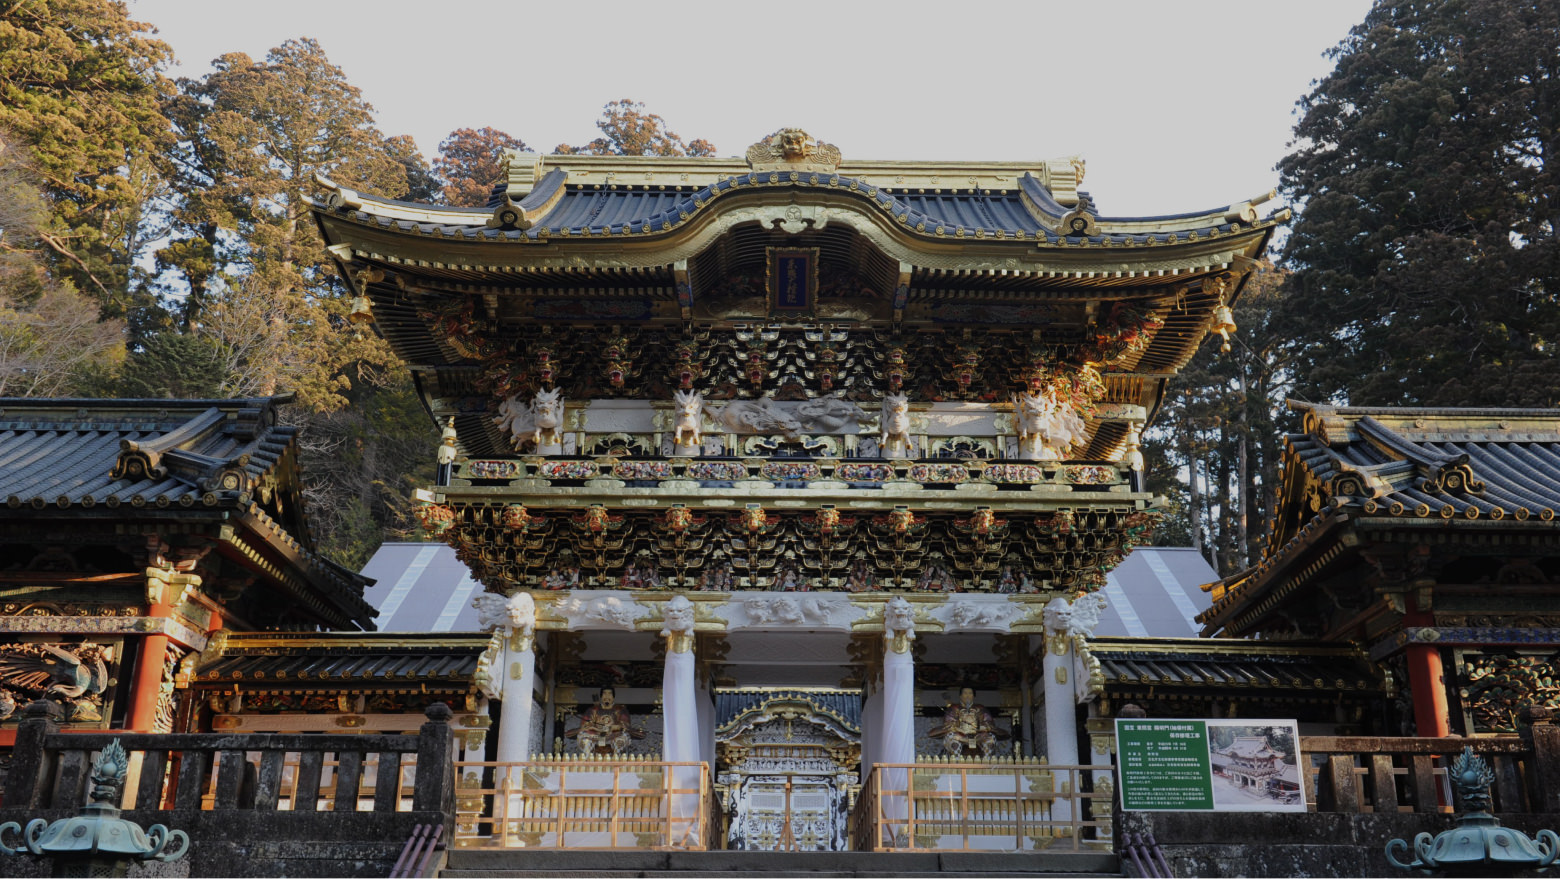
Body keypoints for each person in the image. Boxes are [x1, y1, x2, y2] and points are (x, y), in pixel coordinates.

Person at [928, 686, 1006, 757]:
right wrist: (960, 729)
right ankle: (957, 763)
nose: (968, 695)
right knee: (951, 738)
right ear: (960, 696)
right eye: (965, 693)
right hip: (959, 735)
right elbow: (949, 724)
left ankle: (986, 763)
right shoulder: (954, 708)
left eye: (970, 693)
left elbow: (988, 723)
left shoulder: (980, 708)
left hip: (979, 736)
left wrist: (980, 728)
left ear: (973, 696)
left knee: (991, 738)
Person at [565, 687, 644, 755]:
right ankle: (588, 761)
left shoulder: (620, 710)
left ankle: (616, 761)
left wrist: (614, 727)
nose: (607, 696)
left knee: (622, 738)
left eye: (609, 694)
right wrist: (593, 728)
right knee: (583, 737)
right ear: (601, 696)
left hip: (614, 736)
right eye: (604, 694)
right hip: (595, 736)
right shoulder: (592, 710)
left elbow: (624, 726)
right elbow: (585, 726)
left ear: (613, 697)